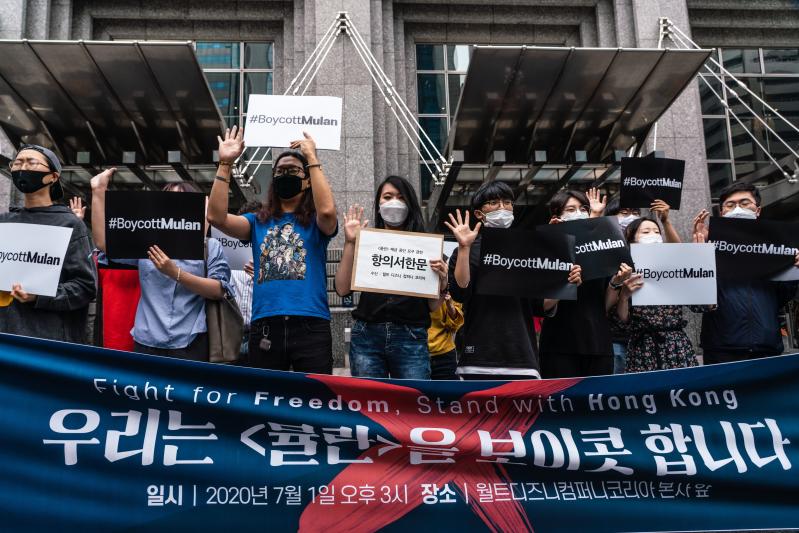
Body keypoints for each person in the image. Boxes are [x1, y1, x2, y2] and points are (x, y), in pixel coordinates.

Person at [207, 127, 338, 374]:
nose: (285, 174)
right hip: (266, 325)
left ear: (307, 180)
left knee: (314, 401)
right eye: (280, 171)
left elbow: (329, 212)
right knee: (266, 399)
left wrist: (313, 159)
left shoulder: (316, 223)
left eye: (292, 171)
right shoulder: (257, 221)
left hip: (310, 324)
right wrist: (225, 164)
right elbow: (215, 217)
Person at [446, 181, 582, 380]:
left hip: (522, 357)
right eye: (493, 203)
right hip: (478, 358)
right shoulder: (466, 251)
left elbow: (540, 305)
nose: (502, 208)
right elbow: (460, 292)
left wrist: (564, 284)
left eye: (507, 202)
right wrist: (465, 248)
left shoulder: (530, 250)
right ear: (478, 214)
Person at [91, 170, 231, 361]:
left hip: (191, 342)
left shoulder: (209, 246)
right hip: (146, 341)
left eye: (181, 202)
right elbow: (103, 243)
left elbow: (218, 290)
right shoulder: (146, 242)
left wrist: (175, 273)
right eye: (167, 202)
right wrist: (98, 191)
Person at [334, 176, 448, 379]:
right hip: (367, 335)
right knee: (368, 406)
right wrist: (350, 242)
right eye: (387, 197)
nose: (394, 202)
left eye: (401, 197)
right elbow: (342, 289)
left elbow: (433, 306)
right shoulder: (367, 244)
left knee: (411, 405)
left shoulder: (428, 248)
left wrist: (442, 280)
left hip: (411, 336)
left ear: (410, 204)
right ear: (378, 205)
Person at [693, 182, 799, 364]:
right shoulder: (706, 247)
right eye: (730, 205)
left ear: (757, 210)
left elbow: (783, 296)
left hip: (767, 347)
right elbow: (697, 304)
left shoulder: (775, 247)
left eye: (744, 203)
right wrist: (701, 257)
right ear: (722, 212)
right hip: (722, 349)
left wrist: (795, 270)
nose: (737, 208)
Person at [0, 144, 96, 343]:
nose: (22, 167)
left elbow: (85, 287)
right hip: (5, 338)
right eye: (17, 162)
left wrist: (38, 296)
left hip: (46, 341)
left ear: (53, 176)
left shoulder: (70, 225)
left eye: (31, 162)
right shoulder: (5, 221)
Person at [538, 189, 616, 378]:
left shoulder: (602, 249)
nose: (579, 213)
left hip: (598, 343)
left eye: (583, 208)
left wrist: (616, 283)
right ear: (557, 217)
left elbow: (605, 304)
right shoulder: (545, 252)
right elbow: (542, 305)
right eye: (571, 209)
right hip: (560, 345)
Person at [611, 216, 700, 372]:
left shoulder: (673, 268)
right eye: (646, 231)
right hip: (642, 349)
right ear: (631, 240)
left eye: (657, 231)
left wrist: (699, 261)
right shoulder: (624, 271)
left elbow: (702, 306)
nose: (653, 235)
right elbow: (622, 321)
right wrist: (624, 296)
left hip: (676, 347)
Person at [427, 277, 464, 380]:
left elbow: (455, 325)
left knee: (447, 394)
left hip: (443, 352)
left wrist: (449, 305)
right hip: (413, 350)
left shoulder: (450, 282)